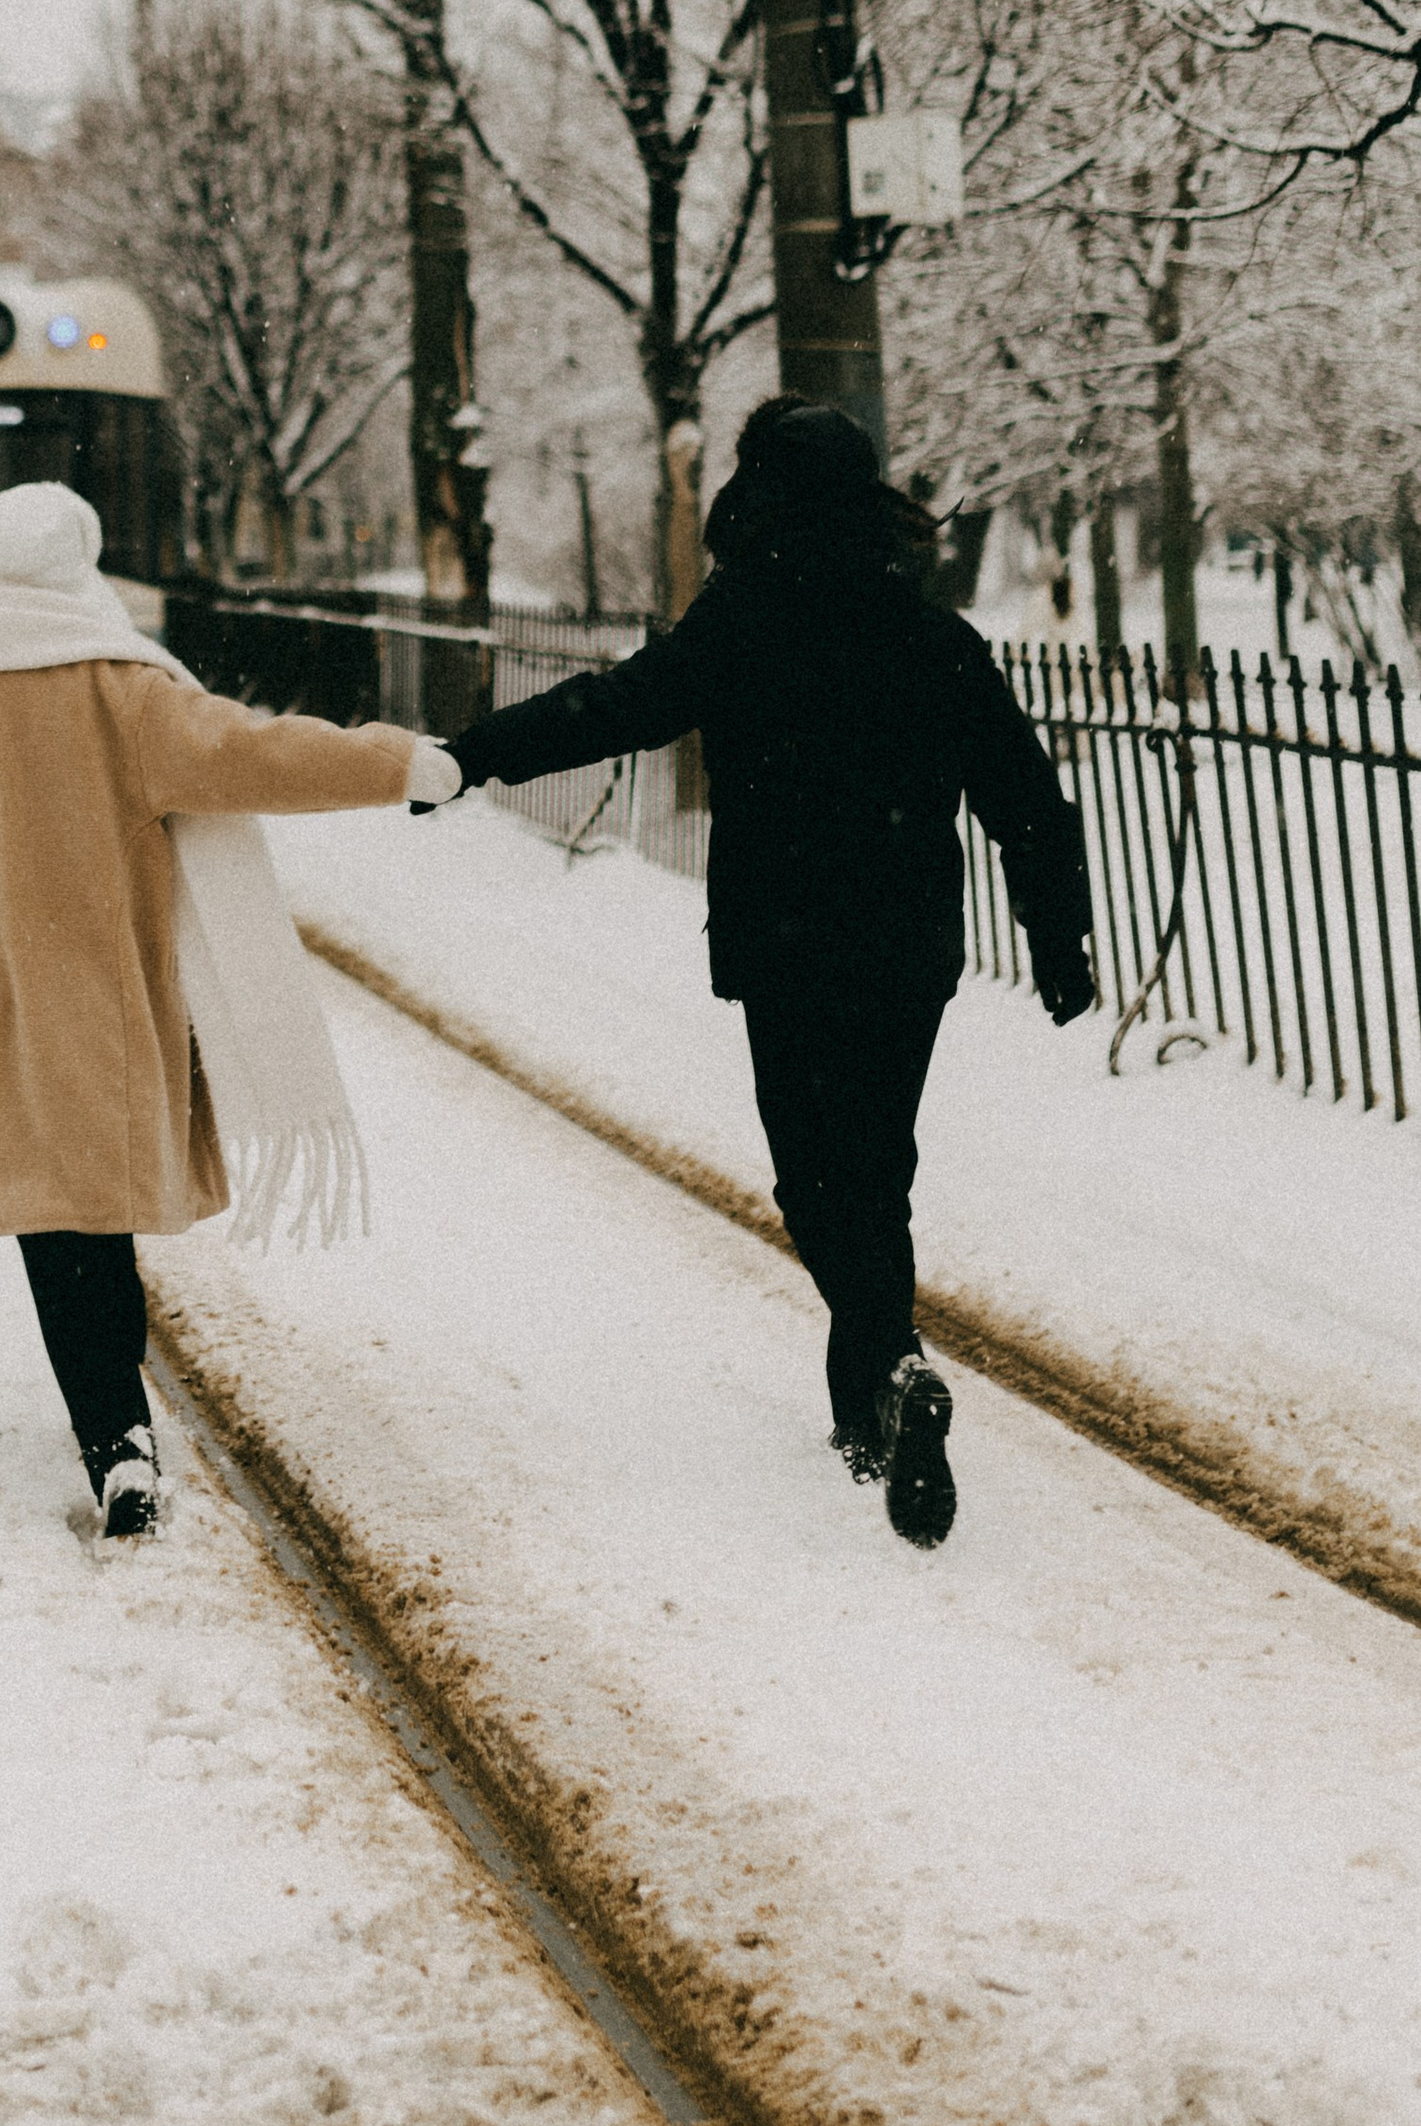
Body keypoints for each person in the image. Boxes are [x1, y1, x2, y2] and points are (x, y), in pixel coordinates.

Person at [420, 397, 1094, 1549]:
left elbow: (613, 711)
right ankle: (869, 1411)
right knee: (876, 1168)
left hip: (789, 942)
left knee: (813, 1181)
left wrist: (472, 753)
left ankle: (887, 1364)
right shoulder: (932, 636)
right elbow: (1022, 797)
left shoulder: (742, 621)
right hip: (906, 940)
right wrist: (1057, 934)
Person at [0, 480, 458, 1538]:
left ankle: (113, 1435)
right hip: (97, 1017)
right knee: (93, 1226)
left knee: (56, 1236)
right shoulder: (123, 686)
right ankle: (119, 1435)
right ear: (77, 562)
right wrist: (394, 760)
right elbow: (254, 755)